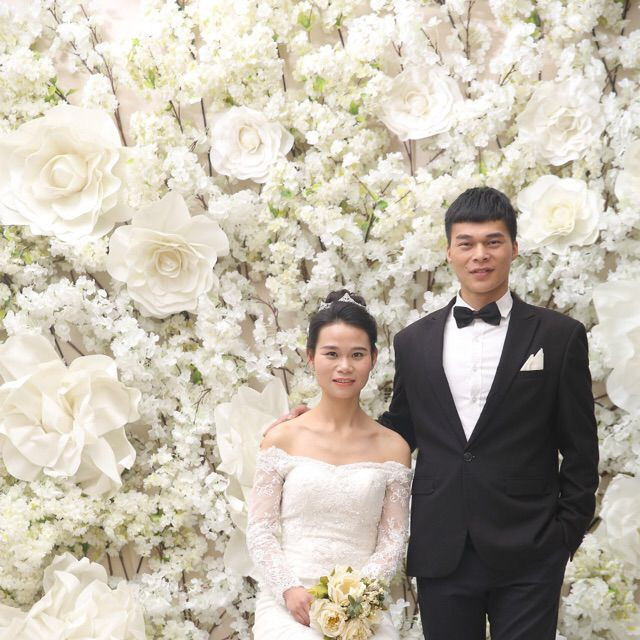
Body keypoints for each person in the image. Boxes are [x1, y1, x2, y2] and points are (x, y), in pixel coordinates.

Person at [276, 187, 599, 639]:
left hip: (530, 548)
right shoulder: (414, 341)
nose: (480, 254)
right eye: (466, 243)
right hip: (442, 547)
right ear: (449, 252)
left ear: (514, 247)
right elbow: (400, 428)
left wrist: (563, 538)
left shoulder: (559, 336)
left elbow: (581, 448)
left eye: (493, 241)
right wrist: (318, 425)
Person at [246, 290, 413, 640]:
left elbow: (393, 539)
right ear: (311, 357)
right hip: (289, 604)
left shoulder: (393, 447)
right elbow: (260, 531)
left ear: (373, 358)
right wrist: (288, 589)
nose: (344, 366)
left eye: (357, 354)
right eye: (332, 354)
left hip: (361, 608)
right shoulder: (282, 437)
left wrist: (358, 600)